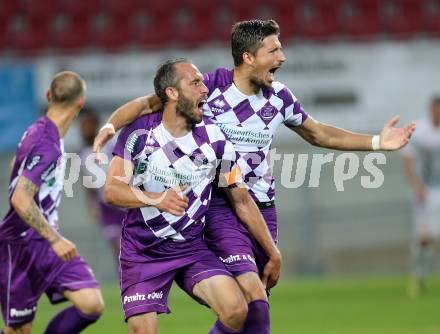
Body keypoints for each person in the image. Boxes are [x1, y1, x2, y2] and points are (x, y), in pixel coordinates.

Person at [94, 19, 416, 333]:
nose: (282, 57)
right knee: (252, 299)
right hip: (223, 204)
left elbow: (319, 134)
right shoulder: (209, 88)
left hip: (261, 205)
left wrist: (376, 142)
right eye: (274, 50)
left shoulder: (278, 97)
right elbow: (146, 104)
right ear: (248, 57)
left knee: (255, 306)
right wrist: (109, 128)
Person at [105, 58, 281, 334]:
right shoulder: (139, 133)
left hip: (190, 248)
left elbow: (242, 200)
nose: (204, 89)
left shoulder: (216, 140)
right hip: (143, 253)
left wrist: (272, 251)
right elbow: (112, 191)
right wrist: (156, 198)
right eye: (195, 83)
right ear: (172, 93)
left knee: (237, 311)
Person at [0, 72, 104, 334]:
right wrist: (56, 239)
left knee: (91, 303)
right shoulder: (47, 143)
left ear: (49, 96)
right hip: (21, 245)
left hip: (44, 241)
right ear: (81, 102)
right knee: (18, 331)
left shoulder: (38, 130)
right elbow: (20, 199)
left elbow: (17, 165)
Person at [402, 96, 440, 297]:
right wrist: (416, 186)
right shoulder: (420, 131)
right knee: (424, 238)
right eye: (434, 109)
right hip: (425, 192)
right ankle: (418, 276)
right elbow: (407, 159)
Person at [78, 109, 126, 262]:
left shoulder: (111, 144)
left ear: (96, 125)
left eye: (87, 124)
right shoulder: (82, 154)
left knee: (129, 249)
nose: (83, 128)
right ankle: (126, 282)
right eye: (81, 125)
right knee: (118, 249)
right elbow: (90, 185)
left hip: (127, 204)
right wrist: (92, 203)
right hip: (107, 208)